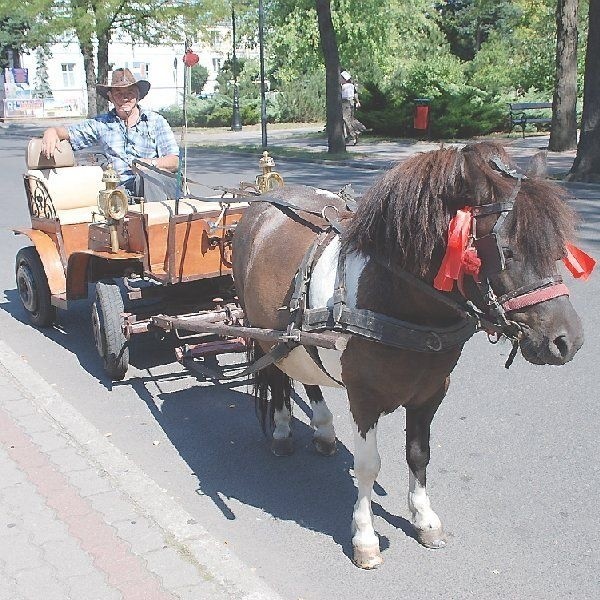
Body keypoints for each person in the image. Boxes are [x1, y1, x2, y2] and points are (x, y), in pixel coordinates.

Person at [41, 67, 179, 198]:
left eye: (130, 93)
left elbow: (174, 161)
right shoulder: (102, 124)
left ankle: (155, 221)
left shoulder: (155, 121)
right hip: (121, 190)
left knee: (149, 177)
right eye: (118, 94)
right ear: (111, 97)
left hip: (154, 186)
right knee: (111, 199)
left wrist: (148, 164)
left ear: (137, 95)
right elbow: (69, 133)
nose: (125, 98)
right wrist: (52, 132)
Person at [340, 70, 366, 145]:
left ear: (344, 79)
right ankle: (356, 131)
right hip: (351, 102)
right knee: (351, 118)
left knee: (346, 119)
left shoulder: (344, 86)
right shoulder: (352, 86)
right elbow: (355, 94)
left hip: (345, 103)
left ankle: (354, 133)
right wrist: (357, 102)